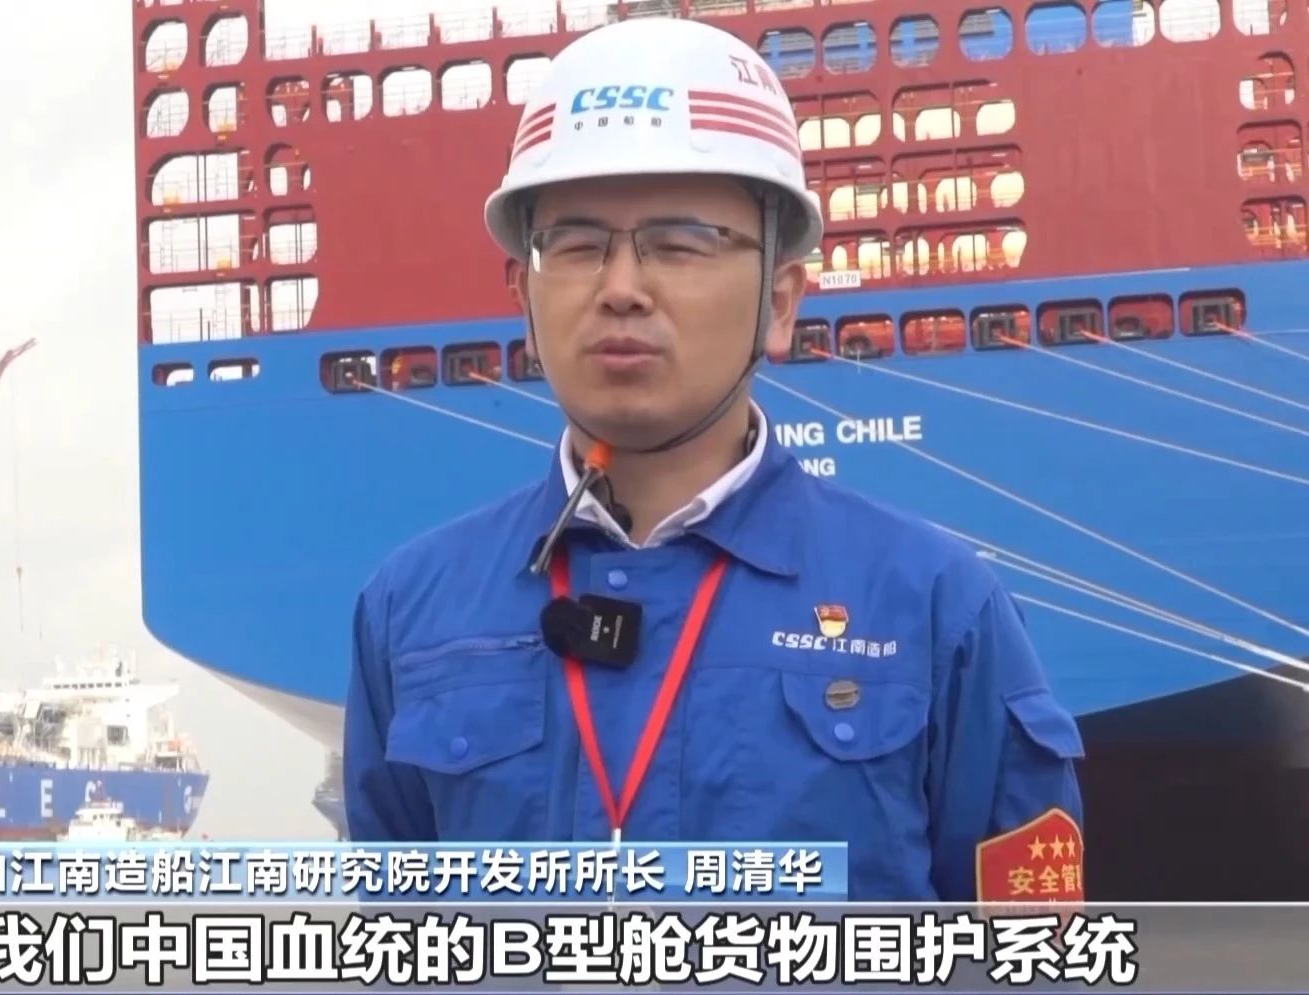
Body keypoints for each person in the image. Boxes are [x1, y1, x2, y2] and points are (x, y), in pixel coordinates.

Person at [341, 17, 1086, 903]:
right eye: (576, 244)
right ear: (524, 301)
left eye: (682, 242)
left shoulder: (935, 606)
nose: (621, 287)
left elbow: (1025, 949)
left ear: (780, 301)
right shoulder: (410, 610)